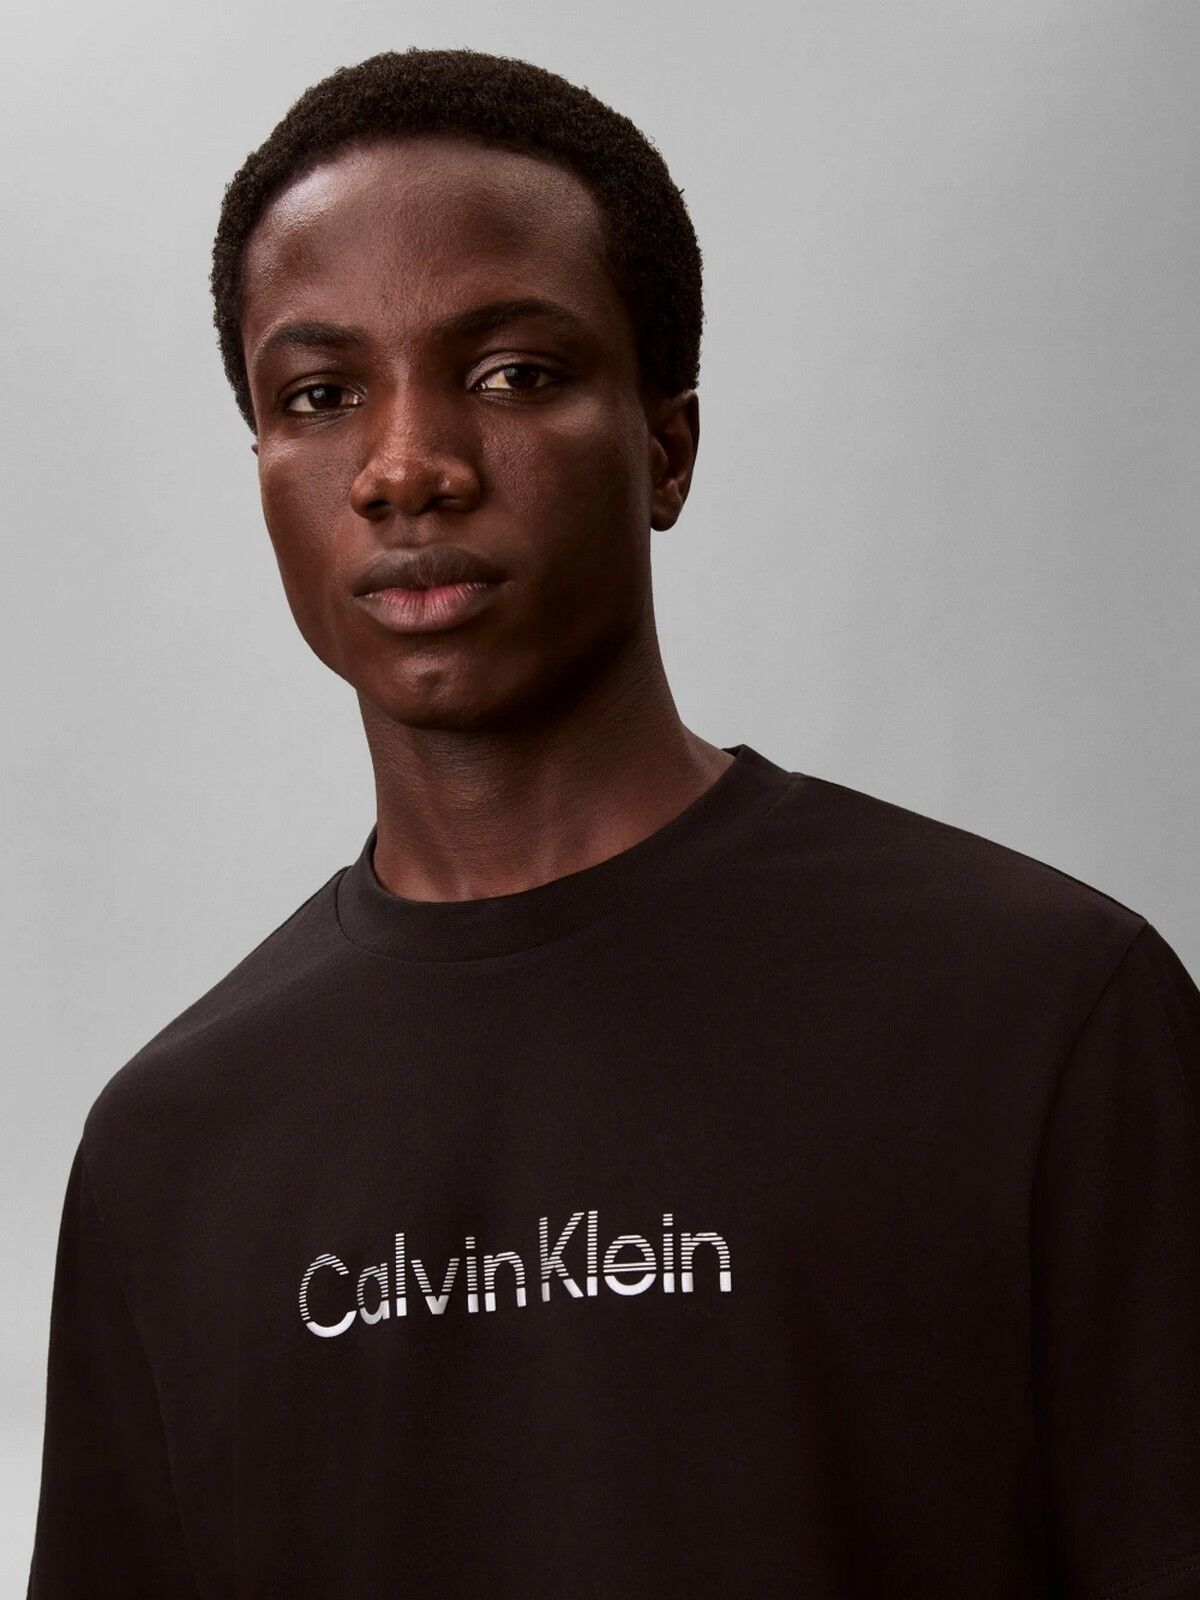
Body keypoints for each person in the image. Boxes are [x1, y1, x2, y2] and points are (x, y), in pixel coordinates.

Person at [26, 45, 1200, 1599]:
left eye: (513, 373)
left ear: (667, 446)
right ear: (263, 467)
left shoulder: (1045, 1016)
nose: (405, 468)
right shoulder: (169, 1155)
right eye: (320, 395)